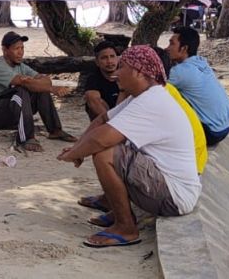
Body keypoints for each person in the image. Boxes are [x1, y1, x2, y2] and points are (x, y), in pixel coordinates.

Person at [57, 45, 201, 248]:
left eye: (122, 67)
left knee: (105, 154)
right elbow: (102, 120)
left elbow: (101, 140)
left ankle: (126, 228)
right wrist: (79, 147)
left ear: (139, 72)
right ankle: (115, 208)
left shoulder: (152, 100)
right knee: (110, 145)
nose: (116, 73)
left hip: (175, 197)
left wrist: (74, 154)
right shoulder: (142, 95)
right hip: (167, 184)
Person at [0, 31, 75, 152]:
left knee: (40, 90)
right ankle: (26, 139)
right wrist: (50, 88)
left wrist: (38, 84)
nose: (20, 52)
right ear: (5, 50)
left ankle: (55, 130)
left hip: (11, 111)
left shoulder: (20, 66)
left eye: (22, 48)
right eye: (16, 49)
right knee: (21, 90)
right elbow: (26, 83)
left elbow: (46, 81)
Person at [166, 28, 229, 146]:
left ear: (184, 48)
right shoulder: (200, 62)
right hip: (226, 126)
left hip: (211, 132)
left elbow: (150, 86)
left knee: (164, 94)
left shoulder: (181, 72)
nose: (167, 48)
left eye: (172, 44)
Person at [84, 40, 121, 120]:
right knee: (93, 99)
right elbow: (92, 99)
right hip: (106, 119)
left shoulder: (126, 74)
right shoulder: (93, 78)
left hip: (126, 115)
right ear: (97, 62)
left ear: (118, 58)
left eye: (112, 56)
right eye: (104, 58)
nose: (109, 61)